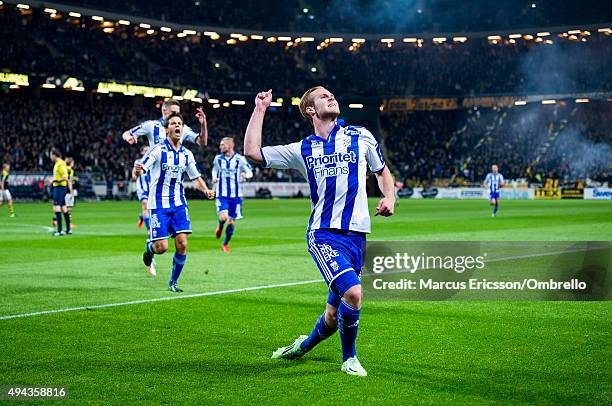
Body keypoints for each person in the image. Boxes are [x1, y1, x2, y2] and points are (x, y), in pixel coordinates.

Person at [244, 87, 395, 377]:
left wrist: (389, 197)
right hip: (324, 234)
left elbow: (382, 171)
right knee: (353, 293)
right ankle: (349, 358)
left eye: (332, 94)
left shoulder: (360, 136)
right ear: (311, 111)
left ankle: (302, 346)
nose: (331, 97)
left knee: (331, 315)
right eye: (323, 96)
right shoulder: (302, 149)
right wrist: (260, 109)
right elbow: (252, 152)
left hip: (357, 238)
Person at [135, 113, 215, 292]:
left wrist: (206, 189)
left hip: (179, 203)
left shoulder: (187, 154)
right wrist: (138, 170)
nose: (177, 126)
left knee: (183, 243)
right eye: (173, 123)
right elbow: (142, 168)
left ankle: (173, 282)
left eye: (179, 123)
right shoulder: (157, 150)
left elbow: (196, 177)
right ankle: (149, 248)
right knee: (161, 247)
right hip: (158, 205)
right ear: (166, 129)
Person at [212, 137, 253, 252]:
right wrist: (214, 177)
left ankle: (225, 244)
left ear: (229, 146)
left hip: (236, 196)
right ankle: (220, 226)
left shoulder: (240, 159)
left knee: (231, 221)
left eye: (222, 145)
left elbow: (250, 171)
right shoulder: (218, 159)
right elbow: (214, 170)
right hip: (222, 194)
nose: (220, 147)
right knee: (224, 217)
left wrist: (246, 175)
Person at [50, 149, 72, 236]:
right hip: (59, 187)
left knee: (56, 207)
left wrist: (57, 180)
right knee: (63, 207)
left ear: (54, 155)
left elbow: (65, 176)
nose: (50, 157)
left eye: (51, 155)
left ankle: (59, 231)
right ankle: (68, 229)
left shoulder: (60, 164)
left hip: (59, 187)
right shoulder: (59, 163)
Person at [64, 157, 76, 225]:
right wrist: (71, 192)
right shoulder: (70, 170)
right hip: (67, 190)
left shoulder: (64, 168)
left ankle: (55, 220)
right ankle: (69, 223)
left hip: (62, 189)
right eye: (73, 162)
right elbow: (69, 181)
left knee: (62, 206)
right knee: (69, 208)